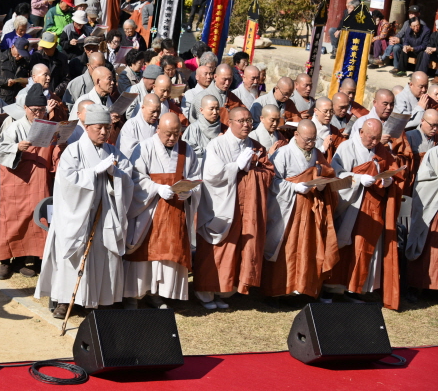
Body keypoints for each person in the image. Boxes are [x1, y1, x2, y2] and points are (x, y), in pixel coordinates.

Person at [36, 104, 134, 317]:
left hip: (105, 214)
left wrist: (113, 173)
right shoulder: (73, 151)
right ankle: (65, 299)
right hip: (77, 216)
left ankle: (103, 298)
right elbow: (68, 182)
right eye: (99, 127)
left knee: (103, 254)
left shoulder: (113, 152)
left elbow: (127, 178)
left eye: (107, 128)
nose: (103, 132)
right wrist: (92, 173)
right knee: (74, 254)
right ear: (87, 126)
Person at [193, 107, 274, 309]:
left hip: (246, 206)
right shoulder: (217, 145)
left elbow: (269, 173)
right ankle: (205, 292)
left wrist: (253, 169)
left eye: (249, 121)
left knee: (236, 248)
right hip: (221, 205)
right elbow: (212, 175)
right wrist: (236, 166)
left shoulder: (257, 147)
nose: (246, 124)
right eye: (241, 121)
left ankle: (224, 291)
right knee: (217, 248)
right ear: (230, 122)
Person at [123, 112, 201, 308]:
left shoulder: (186, 149)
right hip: (148, 210)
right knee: (144, 253)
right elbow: (134, 177)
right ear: (158, 129)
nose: (172, 138)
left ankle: (157, 293)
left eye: (176, 133)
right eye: (168, 134)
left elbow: (196, 177)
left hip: (175, 211)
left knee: (168, 253)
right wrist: (156, 188)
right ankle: (134, 295)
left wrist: (189, 192)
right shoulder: (144, 147)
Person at [326, 118, 401, 309]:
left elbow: (392, 171)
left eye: (377, 139)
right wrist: (358, 178)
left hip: (371, 208)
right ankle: (329, 289)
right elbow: (336, 174)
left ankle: (354, 289)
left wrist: (387, 182)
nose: (374, 142)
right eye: (370, 138)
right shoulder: (346, 148)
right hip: (349, 205)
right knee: (342, 246)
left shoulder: (381, 150)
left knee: (363, 248)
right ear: (361, 133)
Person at [261, 120, 339, 299]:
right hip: (289, 209)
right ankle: (278, 292)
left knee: (308, 249)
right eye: (307, 140)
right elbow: (271, 180)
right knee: (286, 250)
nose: (311, 143)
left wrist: (322, 185)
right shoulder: (283, 154)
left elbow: (326, 172)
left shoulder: (317, 153)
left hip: (310, 210)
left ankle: (303, 289)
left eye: (314, 139)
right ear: (296, 135)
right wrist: (293, 187)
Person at [0, 84, 59, 279]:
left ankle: (31, 258)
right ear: (25, 109)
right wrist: (17, 147)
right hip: (17, 179)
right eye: (35, 110)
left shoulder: (48, 127)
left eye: (42, 110)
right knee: (11, 219)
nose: (38, 114)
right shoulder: (14, 126)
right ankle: (5, 261)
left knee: (37, 218)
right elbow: (0, 150)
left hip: (39, 179)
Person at [407, 141, 438, 296]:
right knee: (428, 245)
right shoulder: (434, 153)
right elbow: (426, 180)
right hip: (433, 207)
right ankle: (419, 285)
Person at [0, 38, 32, 105]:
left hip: (18, 97)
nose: (20, 56)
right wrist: (5, 81)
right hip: (1, 98)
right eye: (19, 53)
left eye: (23, 54)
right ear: (12, 47)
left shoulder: (25, 61)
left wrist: (25, 82)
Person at [183, 94, 226, 163]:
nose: (215, 112)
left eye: (217, 109)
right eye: (211, 109)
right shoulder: (193, 128)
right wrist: (214, 146)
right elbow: (188, 151)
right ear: (201, 110)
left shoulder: (224, 128)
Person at [116, 93, 160, 159]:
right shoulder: (131, 125)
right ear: (143, 108)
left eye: (158, 111)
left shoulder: (160, 125)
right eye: (152, 111)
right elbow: (128, 151)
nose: (156, 115)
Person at [312, 97, 346, 162]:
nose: (329, 115)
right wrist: (322, 149)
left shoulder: (334, 131)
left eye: (331, 111)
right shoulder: (307, 128)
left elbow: (344, 148)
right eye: (325, 111)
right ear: (315, 111)